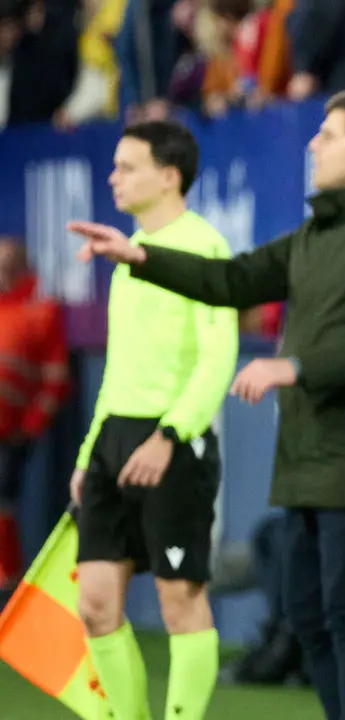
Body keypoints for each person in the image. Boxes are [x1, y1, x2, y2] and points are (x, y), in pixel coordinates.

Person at [69, 89, 345, 720]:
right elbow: (230, 282)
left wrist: (292, 366)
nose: (312, 145)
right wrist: (138, 256)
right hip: (305, 457)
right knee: (308, 615)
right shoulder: (314, 235)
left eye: (328, 135)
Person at [70, 120, 240, 720]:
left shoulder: (205, 248)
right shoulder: (125, 258)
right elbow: (119, 367)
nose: (113, 177)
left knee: (180, 600)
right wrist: (91, 449)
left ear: (169, 177)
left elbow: (219, 357)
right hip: (115, 437)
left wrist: (172, 434)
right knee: (94, 603)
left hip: (174, 441)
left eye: (127, 166)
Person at [0, 237, 70, 600]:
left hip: (12, 434)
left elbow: (55, 377)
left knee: (3, 506)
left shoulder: (41, 308)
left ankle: (9, 588)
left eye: (9, 261)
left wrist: (31, 426)